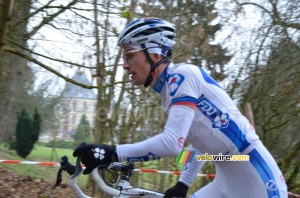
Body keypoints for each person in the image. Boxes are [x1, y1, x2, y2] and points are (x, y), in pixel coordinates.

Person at [73, 17, 288, 198]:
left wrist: (113, 153)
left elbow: (172, 144)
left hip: (257, 178)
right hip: (229, 172)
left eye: (130, 55)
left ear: (155, 55)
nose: (125, 65)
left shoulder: (181, 77)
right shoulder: (169, 90)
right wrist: (183, 184)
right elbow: (201, 140)